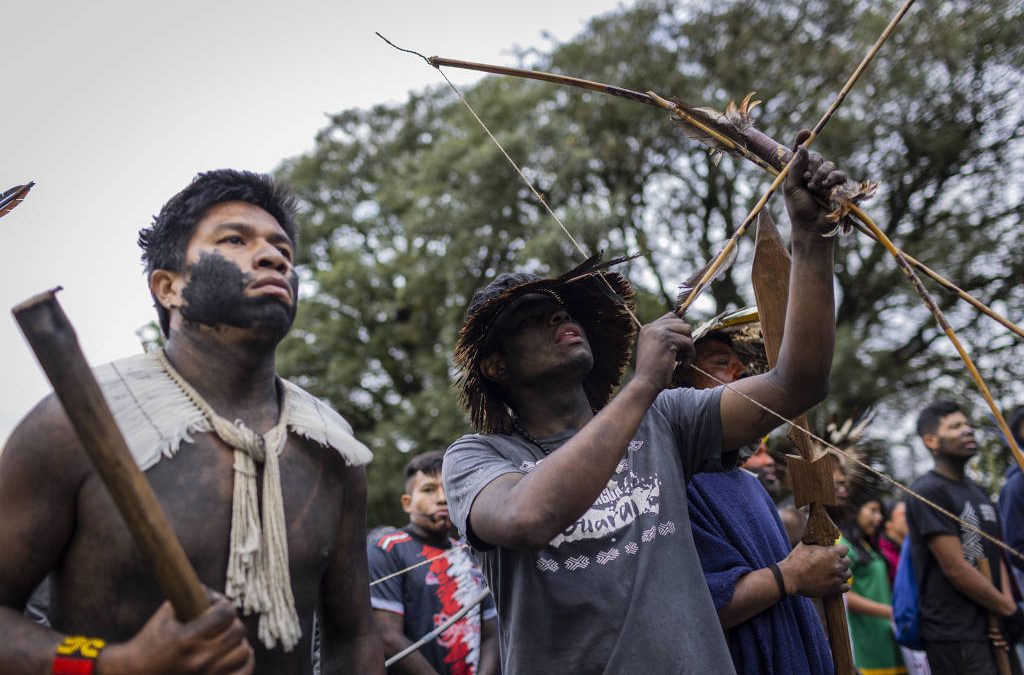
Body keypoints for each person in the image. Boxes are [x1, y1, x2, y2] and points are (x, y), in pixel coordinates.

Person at [442, 133, 848, 673]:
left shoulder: (668, 420)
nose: (559, 319)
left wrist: (812, 239)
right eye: (531, 318)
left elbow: (798, 384)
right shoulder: (476, 459)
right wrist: (641, 386)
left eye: (562, 311)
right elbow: (527, 518)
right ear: (496, 366)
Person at [0, 170, 385, 674]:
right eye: (234, 239)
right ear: (169, 287)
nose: (273, 257)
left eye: (283, 249)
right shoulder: (76, 423)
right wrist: (116, 664)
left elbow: (355, 638)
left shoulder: (331, 446)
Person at [682, 311, 849, 674]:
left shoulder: (750, 486)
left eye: (743, 367)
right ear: (680, 384)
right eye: (721, 364)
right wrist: (792, 575)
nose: (739, 373)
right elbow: (697, 610)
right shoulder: (676, 481)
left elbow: (794, 600)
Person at [906, 400, 1023, 675]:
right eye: (955, 426)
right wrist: (1009, 609)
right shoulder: (928, 491)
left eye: (967, 424)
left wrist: (1008, 612)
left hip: (995, 627)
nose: (967, 430)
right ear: (931, 440)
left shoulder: (979, 492)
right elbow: (956, 568)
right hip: (955, 634)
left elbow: (996, 556)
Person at [369, 451, 498, 675]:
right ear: (407, 503)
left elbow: (493, 633)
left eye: (447, 488)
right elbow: (387, 635)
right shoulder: (388, 548)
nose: (441, 498)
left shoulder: (472, 553)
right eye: (429, 489)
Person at [840, 493, 906, 674]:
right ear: (855, 511)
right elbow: (844, 595)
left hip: (887, 638)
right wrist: (890, 612)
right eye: (873, 510)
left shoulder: (868, 545)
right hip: (866, 642)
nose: (878, 518)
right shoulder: (843, 545)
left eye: (880, 512)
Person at [879, 499, 908, 586]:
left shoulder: (907, 549)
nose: (911, 518)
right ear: (888, 522)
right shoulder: (881, 552)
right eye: (905, 514)